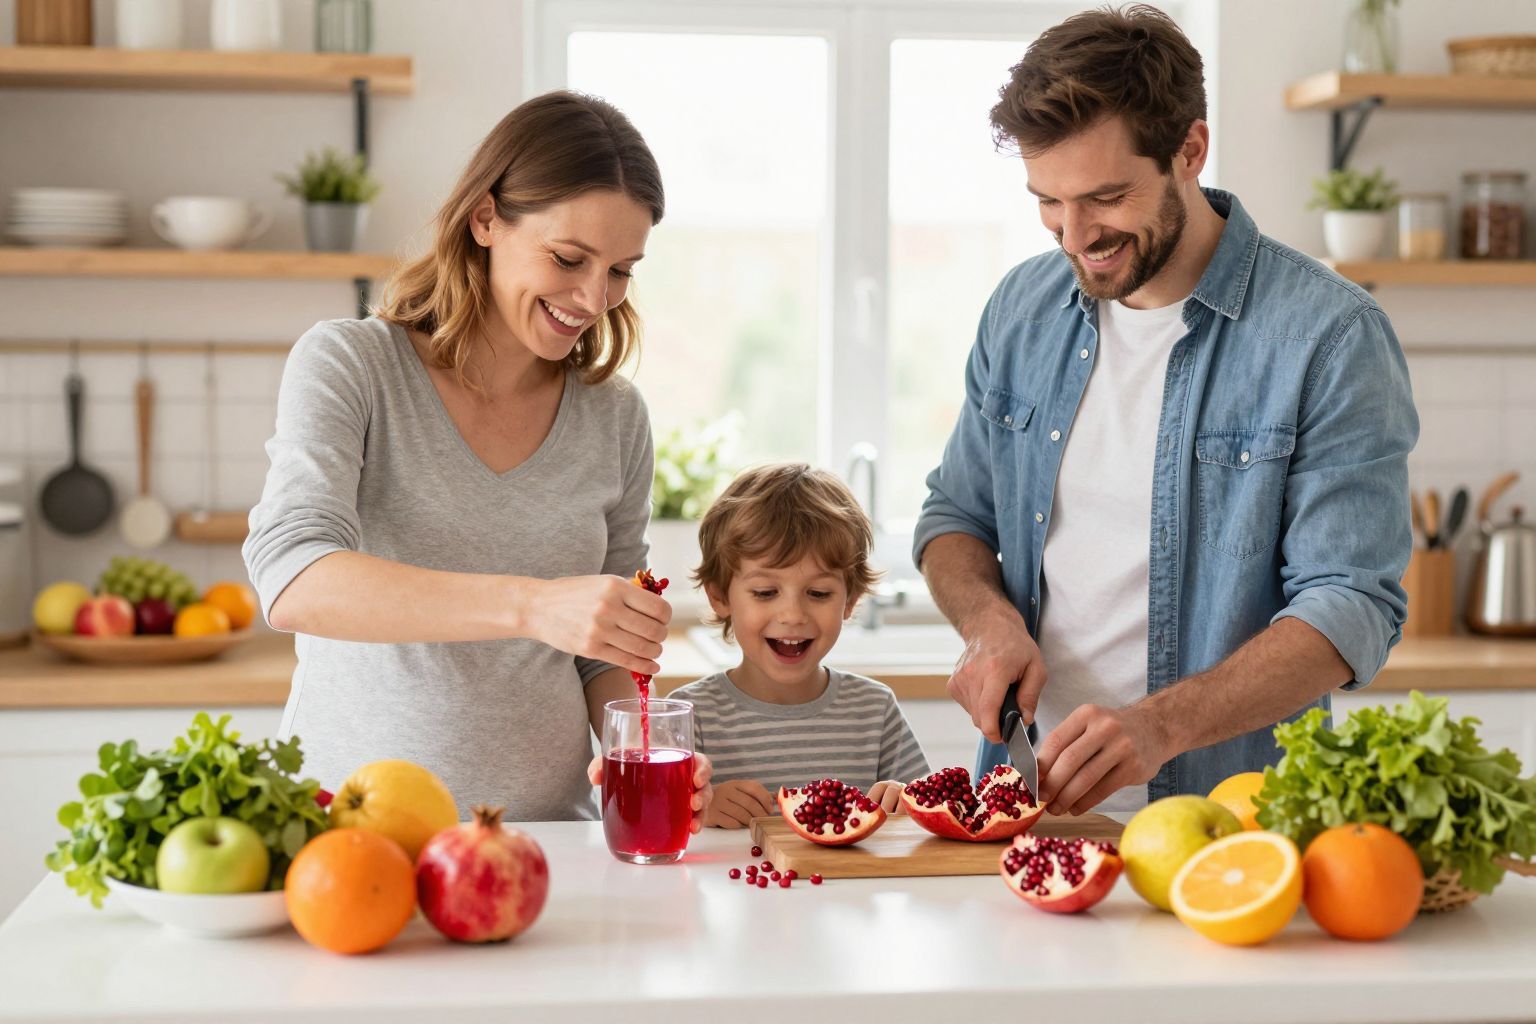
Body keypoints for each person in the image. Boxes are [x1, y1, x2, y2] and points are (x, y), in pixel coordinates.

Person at [914, 6, 1417, 816]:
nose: (1074, 236)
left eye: (1105, 197)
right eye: (1048, 200)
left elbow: (1351, 604)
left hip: (1233, 827)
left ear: (1190, 149)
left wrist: (1159, 728)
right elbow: (954, 518)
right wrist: (987, 621)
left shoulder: (1329, 337)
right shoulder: (1022, 308)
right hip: (1024, 813)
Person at [243, 91, 712, 824]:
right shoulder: (352, 365)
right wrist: (532, 603)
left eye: (622, 269)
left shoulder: (614, 415)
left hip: (548, 843)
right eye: (569, 258)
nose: (594, 297)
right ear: (486, 218)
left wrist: (640, 745)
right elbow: (293, 576)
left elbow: (601, 648)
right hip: (351, 838)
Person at [666, 464, 931, 829]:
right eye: (765, 592)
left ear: (850, 600)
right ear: (719, 597)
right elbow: (649, 817)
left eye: (818, 593)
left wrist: (904, 801)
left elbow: (925, 807)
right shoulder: (688, 716)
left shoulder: (874, 710)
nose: (792, 615)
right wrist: (698, 809)